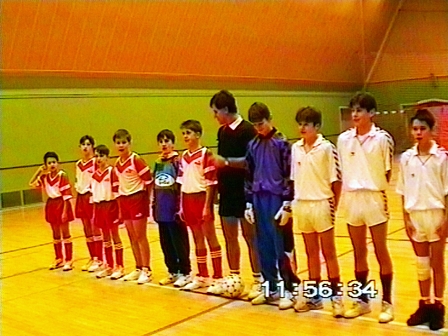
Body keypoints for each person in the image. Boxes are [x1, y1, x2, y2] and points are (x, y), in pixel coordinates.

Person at [337, 92, 394, 323]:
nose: (355, 114)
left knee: (381, 250)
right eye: (353, 110)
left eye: (360, 110)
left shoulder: (382, 139)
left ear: (372, 113)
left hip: (374, 198)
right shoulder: (343, 140)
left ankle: (387, 303)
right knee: (358, 252)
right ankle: (362, 301)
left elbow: (387, 171)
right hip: (352, 199)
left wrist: (372, 186)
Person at [396, 109, 448, 331]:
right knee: (421, 265)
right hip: (415, 216)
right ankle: (424, 303)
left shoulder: (442, 158)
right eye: (415, 128)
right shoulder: (407, 159)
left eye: (422, 129)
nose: (418, 132)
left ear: (431, 131)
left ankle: (438, 306)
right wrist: (406, 218)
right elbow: (402, 191)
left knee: (437, 263)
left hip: (435, 215)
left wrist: (446, 220)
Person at [290, 107, 344, 317]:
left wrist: (333, 205)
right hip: (302, 204)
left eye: (306, 124)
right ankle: (314, 297)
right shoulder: (296, 148)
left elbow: (336, 180)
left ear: (317, 127)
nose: (301, 128)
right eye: (300, 123)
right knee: (310, 253)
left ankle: (337, 298)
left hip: (322, 203)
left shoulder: (327, 148)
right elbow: (294, 178)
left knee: (328, 253)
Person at [209, 90, 262, 298]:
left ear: (225, 109)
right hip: (227, 193)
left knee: (251, 237)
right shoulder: (222, 132)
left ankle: (259, 279)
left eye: (215, 111)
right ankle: (234, 277)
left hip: (245, 192)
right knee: (229, 237)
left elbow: (252, 162)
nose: (215, 116)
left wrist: (228, 162)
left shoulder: (248, 130)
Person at [243, 102, 294, 308]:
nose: (258, 128)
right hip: (258, 198)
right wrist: (248, 202)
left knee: (281, 246)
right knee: (262, 246)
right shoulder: (252, 145)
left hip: (277, 199)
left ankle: (288, 290)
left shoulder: (282, 143)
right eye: (255, 125)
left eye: (261, 123)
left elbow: (289, 173)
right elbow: (248, 174)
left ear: (270, 119)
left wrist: (288, 202)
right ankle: (270, 287)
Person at [177, 120, 223, 292]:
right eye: (183, 133)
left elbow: (211, 183)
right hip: (188, 200)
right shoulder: (183, 156)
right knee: (196, 238)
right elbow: (181, 182)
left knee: (210, 237)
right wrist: (181, 205)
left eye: (188, 133)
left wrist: (207, 206)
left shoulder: (205, 154)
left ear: (197, 134)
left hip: (201, 198)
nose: (185, 136)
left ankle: (218, 276)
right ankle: (202, 275)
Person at [153, 129, 192, 287]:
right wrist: (154, 204)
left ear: (173, 144)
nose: (164, 144)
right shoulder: (158, 162)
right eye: (161, 141)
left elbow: (181, 184)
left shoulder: (177, 161)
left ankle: (185, 272)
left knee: (179, 241)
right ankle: (172, 271)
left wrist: (179, 206)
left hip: (174, 209)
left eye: (167, 141)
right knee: (166, 242)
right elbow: (156, 184)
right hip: (161, 209)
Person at [113, 129, 152, 284]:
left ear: (129, 143)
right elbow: (119, 186)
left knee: (140, 236)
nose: (121, 145)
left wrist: (147, 201)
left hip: (137, 199)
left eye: (124, 142)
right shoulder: (117, 163)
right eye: (118, 142)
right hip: (125, 200)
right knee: (131, 236)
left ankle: (147, 269)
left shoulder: (136, 160)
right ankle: (138, 267)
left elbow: (149, 181)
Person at [29, 152, 74, 271]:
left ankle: (69, 259)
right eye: (49, 163)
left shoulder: (62, 175)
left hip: (62, 203)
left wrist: (65, 212)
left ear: (58, 163)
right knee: (55, 234)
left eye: (54, 162)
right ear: (45, 165)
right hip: (51, 204)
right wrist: (39, 171)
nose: (52, 165)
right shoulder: (45, 177)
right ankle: (58, 257)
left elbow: (66, 195)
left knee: (65, 233)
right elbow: (31, 184)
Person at [90, 145, 125, 280]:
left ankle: (120, 266)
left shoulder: (112, 172)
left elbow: (117, 192)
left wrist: (119, 210)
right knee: (105, 238)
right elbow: (93, 195)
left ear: (107, 157)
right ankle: (109, 265)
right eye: (97, 156)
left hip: (111, 205)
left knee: (114, 236)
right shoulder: (94, 175)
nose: (99, 159)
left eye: (101, 156)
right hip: (99, 207)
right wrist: (94, 212)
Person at [75, 135, 103, 272]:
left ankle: (99, 258)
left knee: (95, 228)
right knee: (86, 228)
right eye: (83, 144)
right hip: (81, 197)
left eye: (88, 144)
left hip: (92, 197)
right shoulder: (78, 164)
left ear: (93, 146)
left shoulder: (95, 162)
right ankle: (92, 257)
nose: (85, 147)